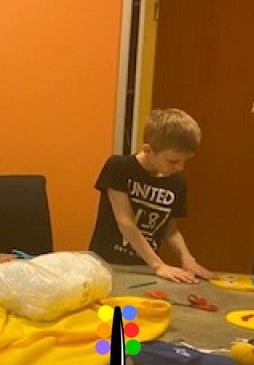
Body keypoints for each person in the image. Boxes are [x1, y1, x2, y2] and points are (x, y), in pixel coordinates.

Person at [88, 108, 213, 283]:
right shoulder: (119, 167)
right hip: (107, 264)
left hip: (145, 267)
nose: (180, 167)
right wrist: (158, 265)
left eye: (185, 161)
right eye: (173, 161)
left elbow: (170, 230)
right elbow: (125, 221)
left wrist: (187, 258)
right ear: (147, 149)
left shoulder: (177, 181)